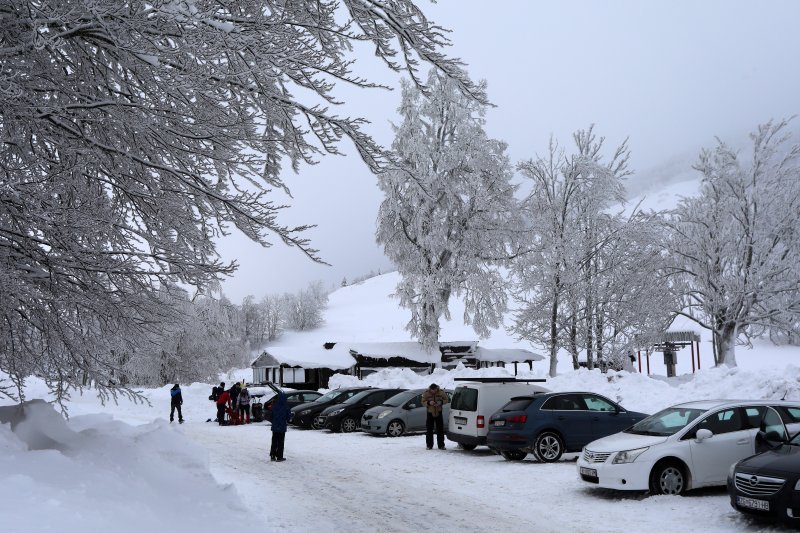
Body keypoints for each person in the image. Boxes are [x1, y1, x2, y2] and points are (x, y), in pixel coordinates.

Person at [422, 383, 449, 450]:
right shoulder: (426, 393)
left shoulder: (441, 392)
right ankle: (429, 445)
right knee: (429, 430)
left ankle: (441, 445)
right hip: (430, 413)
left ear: (437, 388)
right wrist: (429, 403)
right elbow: (422, 402)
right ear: (430, 389)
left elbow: (447, 399)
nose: (434, 391)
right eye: (432, 390)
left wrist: (441, 402)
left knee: (440, 430)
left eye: (435, 390)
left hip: (439, 413)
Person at [270, 392, 291, 462]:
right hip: (282, 427)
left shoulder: (274, 406)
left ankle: (272, 456)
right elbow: (288, 418)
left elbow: (271, 416)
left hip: (275, 427)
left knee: (274, 441)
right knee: (281, 442)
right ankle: (279, 456)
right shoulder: (286, 407)